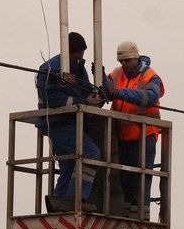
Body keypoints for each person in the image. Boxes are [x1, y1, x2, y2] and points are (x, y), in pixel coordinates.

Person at [36, 32, 103, 213]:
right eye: (77, 53)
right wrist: (82, 102)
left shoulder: (77, 67)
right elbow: (52, 98)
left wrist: (96, 93)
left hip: (68, 122)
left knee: (68, 165)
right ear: (68, 52)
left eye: (82, 53)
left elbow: (85, 88)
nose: (80, 57)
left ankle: (58, 203)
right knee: (90, 153)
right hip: (57, 122)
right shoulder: (50, 68)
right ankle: (76, 198)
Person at [106, 41, 165, 219]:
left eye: (127, 60)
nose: (123, 65)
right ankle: (126, 215)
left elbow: (150, 97)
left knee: (141, 178)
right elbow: (106, 87)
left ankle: (141, 217)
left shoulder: (150, 76)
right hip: (124, 136)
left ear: (136, 58)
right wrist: (100, 78)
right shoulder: (117, 74)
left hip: (145, 135)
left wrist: (118, 92)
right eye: (121, 61)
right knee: (125, 178)